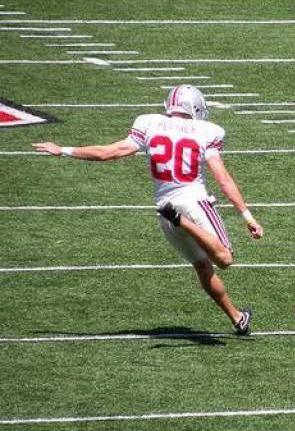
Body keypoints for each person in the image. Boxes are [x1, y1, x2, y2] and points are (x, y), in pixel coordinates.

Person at [32, 85, 263, 335]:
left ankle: (238, 318)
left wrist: (63, 150)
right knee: (225, 258)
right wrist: (247, 216)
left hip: (164, 207)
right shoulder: (207, 131)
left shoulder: (150, 123)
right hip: (193, 201)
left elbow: (109, 152)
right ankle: (183, 222)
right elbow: (224, 179)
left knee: (202, 266)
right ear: (195, 108)